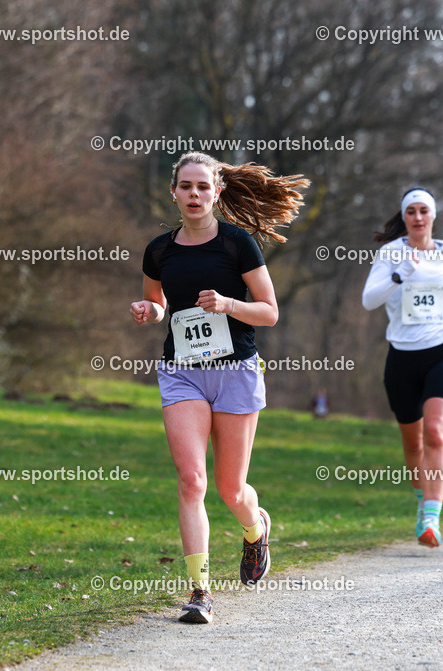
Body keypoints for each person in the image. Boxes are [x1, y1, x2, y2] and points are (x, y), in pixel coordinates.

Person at [130, 151, 309, 623]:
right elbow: (159, 302)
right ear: (174, 192)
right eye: (185, 186)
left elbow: (269, 312)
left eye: (202, 187)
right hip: (181, 370)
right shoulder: (158, 250)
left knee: (231, 491)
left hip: (236, 372)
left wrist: (230, 304)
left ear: (217, 191)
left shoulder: (237, 244)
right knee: (192, 481)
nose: (194, 194)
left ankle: (256, 528)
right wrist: (151, 311)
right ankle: (200, 591)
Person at [361, 187, 443, 548]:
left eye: (424, 210)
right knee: (412, 442)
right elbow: (368, 300)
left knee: (436, 433)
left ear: (433, 215)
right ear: (405, 217)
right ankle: (420, 496)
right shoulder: (391, 253)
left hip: (441, 353)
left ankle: (431, 517)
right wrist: (398, 275)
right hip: (401, 358)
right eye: (411, 211)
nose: (418, 217)